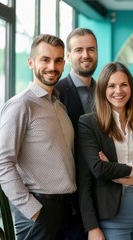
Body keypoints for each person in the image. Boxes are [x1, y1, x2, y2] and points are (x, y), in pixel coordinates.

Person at [0, 34, 75, 240]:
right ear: (31, 62)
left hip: (65, 208)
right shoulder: (21, 105)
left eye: (57, 60)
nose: (52, 66)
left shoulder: (59, 105)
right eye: (45, 60)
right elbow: (2, 164)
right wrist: (32, 209)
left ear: (64, 64)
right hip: (39, 210)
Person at [77, 62, 133, 240]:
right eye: (112, 85)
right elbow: (96, 171)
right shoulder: (88, 124)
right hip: (112, 214)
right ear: (102, 89)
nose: (119, 91)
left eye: (124, 85)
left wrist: (129, 178)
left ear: (131, 88)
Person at [55, 27, 98, 240]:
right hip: (68, 200)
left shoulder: (106, 93)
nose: (86, 55)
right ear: (69, 56)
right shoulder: (56, 93)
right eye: (79, 50)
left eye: (91, 49)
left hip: (101, 194)